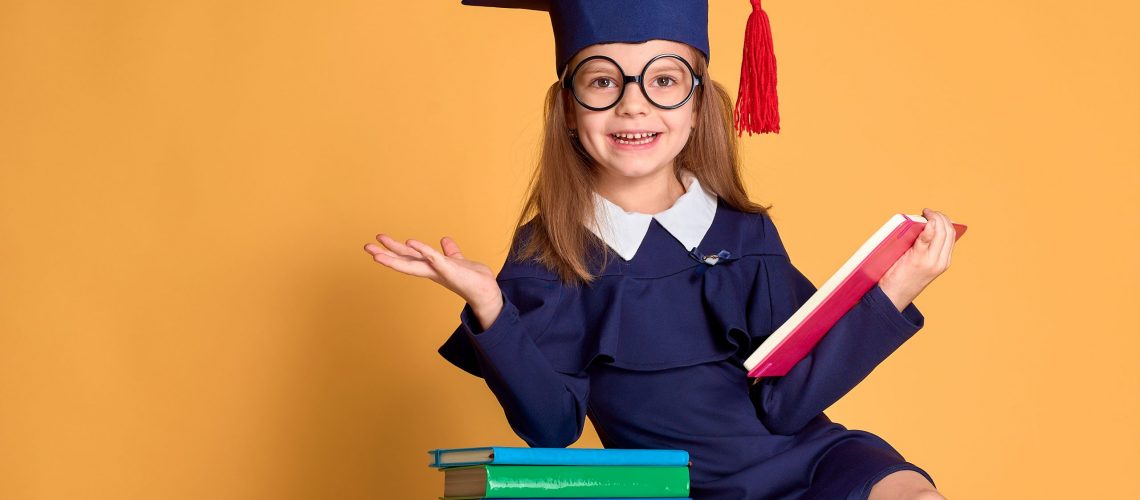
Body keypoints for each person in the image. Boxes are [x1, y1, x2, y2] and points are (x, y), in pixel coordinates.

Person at [364, 1, 956, 498]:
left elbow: (787, 406)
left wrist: (895, 289)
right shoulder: (551, 252)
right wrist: (491, 306)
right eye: (602, 80)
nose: (634, 104)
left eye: (664, 79)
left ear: (698, 106)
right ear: (569, 109)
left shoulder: (745, 235)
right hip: (684, 488)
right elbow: (551, 427)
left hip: (813, 459)